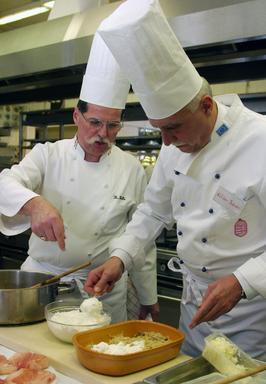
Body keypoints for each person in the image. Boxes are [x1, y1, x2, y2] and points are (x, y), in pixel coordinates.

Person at [84, 0, 266, 360]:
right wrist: (120, 257)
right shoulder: (173, 147)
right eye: (159, 130)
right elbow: (153, 213)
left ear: (207, 107)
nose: (166, 142)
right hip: (193, 307)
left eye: (173, 127)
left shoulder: (260, 141)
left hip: (251, 315)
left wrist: (242, 282)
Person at [0, 32, 158, 323]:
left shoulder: (132, 168)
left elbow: (142, 235)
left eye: (113, 126)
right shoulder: (48, 155)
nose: (103, 134)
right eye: (95, 123)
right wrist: (35, 205)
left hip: (102, 289)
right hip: (42, 283)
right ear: (76, 116)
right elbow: (4, 183)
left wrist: (148, 297)